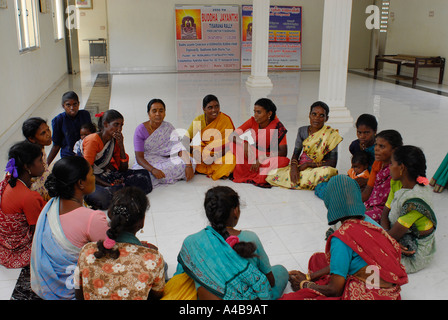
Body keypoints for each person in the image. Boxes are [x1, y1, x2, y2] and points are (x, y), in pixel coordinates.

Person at [280, 175, 408, 300]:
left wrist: (304, 284)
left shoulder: (341, 238)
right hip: (389, 289)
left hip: (370, 292)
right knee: (318, 259)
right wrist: (310, 276)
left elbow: (334, 290)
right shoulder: (371, 223)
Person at [168, 186, 288, 300]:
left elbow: (180, 276)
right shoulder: (250, 237)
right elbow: (270, 281)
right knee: (280, 270)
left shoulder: (192, 242)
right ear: (235, 211)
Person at [30, 156, 109, 300]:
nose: (94, 178)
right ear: (80, 183)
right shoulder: (92, 218)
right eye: (91, 174)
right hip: (74, 289)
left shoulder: (51, 205)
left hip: (51, 284)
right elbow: (111, 250)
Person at [75, 186, 166, 300]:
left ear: (109, 213)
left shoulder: (86, 251)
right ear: (142, 222)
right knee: (163, 270)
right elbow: (156, 296)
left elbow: (78, 292)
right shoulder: (153, 259)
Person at [82, 109, 152, 210]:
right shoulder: (93, 140)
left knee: (144, 176)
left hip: (106, 174)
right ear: (105, 124)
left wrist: (121, 145)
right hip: (90, 179)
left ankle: (119, 192)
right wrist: (110, 184)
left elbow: (122, 169)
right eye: (116, 125)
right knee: (103, 198)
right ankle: (121, 192)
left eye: (121, 125)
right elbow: (87, 173)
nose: (119, 129)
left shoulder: (113, 140)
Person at [382, 145, 437, 273]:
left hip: (414, 251)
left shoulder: (414, 201)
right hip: (396, 233)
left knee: (367, 254)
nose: (389, 167)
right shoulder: (397, 182)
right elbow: (385, 212)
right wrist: (387, 238)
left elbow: (394, 234)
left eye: (391, 164)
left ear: (401, 168)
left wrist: (388, 241)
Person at [266, 101, 341, 190]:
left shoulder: (331, 134)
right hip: (301, 167)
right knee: (272, 174)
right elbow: (296, 154)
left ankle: (297, 181)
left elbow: (333, 163)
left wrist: (309, 164)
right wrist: (294, 168)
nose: (317, 118)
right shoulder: (302, 131)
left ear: (326, 118)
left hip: (317, 168)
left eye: (321, 115)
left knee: (328, 172)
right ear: (309, 115)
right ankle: (308, 182)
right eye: (314, 114)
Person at [0, 141, 45, 268]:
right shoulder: (29, 196)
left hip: (4, 241)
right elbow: (37, 231)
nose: (43, 164)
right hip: (16, 247)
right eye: (40, 161)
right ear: (27, 166)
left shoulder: (9, 179)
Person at [133, 98, 194, 187]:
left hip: (165, 159)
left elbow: (179, 148)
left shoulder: (168, 127)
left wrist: (188, 166)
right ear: (149, 114)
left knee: (190, 161)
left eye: (161, 111)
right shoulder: (140, 130)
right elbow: (139, 158)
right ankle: (156, 176)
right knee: (142, 173)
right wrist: (153, 170)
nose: (158, 114)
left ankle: (157, 178)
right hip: (148, 161)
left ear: (164, 113)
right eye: (154, 111)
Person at [230, 98, 289, 188]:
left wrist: (263, 157)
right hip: (253, 154)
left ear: (269, 114)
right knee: (233, 144)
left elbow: (283, 153)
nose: (255, 115)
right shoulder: (252, 121)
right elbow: (232, 136)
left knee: (283, 161)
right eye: (254, 112)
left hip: (267, 157)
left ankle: (254, 171)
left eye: (259, 112)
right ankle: (253, 171)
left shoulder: (278, 126)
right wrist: (244, 144)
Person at [184, 94, 236, 180]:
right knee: (184, 153)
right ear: (204, 109)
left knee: (232, 158)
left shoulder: (225, 119)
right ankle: (213, 169)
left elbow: (232, 144)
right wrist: (195, 152)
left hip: (221, 152)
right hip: (204, 151)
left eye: (216, 106)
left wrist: (215, 156)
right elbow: (185, 140)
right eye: (210, 107)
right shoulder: (199, 120)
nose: (214, 110)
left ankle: (207, 170)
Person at [362, 130, 403, 223]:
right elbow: (368, 190)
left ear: (395, 150)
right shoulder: (377, 164)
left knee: (359, 219)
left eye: (381, 146)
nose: (376, 149)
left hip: (385, 211)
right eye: (376, 144)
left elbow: (392, 204)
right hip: (371, 204)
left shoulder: (397, 171)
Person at [47, 91, 93, 165]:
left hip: (86, 153)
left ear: (79, 104)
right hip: (68, 156)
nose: (72, 108)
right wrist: (47, 164)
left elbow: (91, 135)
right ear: (63, 106)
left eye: (75, 104)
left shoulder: (85, 115)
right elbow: (56, 145)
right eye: (68, 105)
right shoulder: (58, 120)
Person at [22, 117, 53, 201]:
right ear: (31, 139)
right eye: (43, 133)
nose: (48, 134)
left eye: (48, 130)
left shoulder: (40, 148)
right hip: (31, 195)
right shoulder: (30, 155)